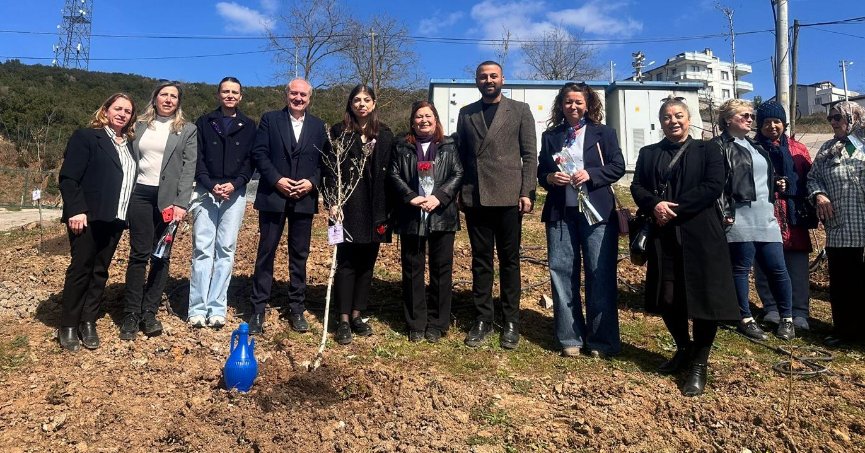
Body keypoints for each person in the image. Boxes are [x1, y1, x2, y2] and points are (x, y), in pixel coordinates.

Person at [630, 97, 738, 396]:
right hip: (664, 235)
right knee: (668, 296)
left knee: (704, 300)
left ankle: (699, 363)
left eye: (678, 115)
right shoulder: (649, 153)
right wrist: (655, 204)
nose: (673, 121)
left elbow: (713, 186)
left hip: (701, 232)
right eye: (666, 117)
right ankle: (683, 347)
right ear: (660, 121)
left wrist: (671, 208)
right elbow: (636, 186)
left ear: (689, 119)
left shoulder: (709, 149)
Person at [537, 82, 625, 358]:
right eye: (567, 102)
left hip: (596, 213)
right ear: (560, 105)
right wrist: (550, 178)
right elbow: (542, 171)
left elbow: (618, 166)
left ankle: (602, 340)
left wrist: (592, 174)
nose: (572, 106)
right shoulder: (551, 136)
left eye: (578, 102)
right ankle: (569, 338)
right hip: (561, 213)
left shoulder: (604, 133)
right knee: (561, 272)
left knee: (599, 275)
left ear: (588, 104)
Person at [457, 61, 537, 350]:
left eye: (493, 76)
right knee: (480, 262)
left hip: (509, 197)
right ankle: (482, 319)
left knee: (510, 261)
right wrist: (459, 192)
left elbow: (529, 155)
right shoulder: (467, 113)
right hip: (475, 195)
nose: (488, 80)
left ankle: (511, 320)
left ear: (503, 78)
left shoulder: (520, 110)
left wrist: (528, 191)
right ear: (476, 80)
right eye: (483, 76)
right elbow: (461, 156)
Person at [58, 93, 138, 351]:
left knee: (100, 270)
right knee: (81, 269)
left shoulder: (129, 145)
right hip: (87, 217)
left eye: (127, 111)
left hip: (115, 218)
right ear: (105, 110)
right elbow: (69, 178)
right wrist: (76, 209)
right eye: (118, 108)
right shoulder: (87, 137)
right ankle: (68, 324)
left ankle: (88, 321)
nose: (122, 114)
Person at [248, 78, 327, 335]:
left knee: (299, 256)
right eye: (294, 93)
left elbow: (323, 162)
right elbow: (259, 154)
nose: (298, 98)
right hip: (274, 197)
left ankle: (296, 307)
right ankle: (258, 308)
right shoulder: (270, 120)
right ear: (286, 95)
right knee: (266, 253)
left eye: (303, 94)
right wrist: (277, 180)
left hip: (303, 199)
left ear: (309, 98)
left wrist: (312, 183)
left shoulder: (318, 126)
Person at [121, 82, 197, 340]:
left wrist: (181, 204)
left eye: (173, 96)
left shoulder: (187, 130)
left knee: (161, 255)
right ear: (154, 98)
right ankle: (131, 312)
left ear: (179, 102)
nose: (168, 99)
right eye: (163, 94)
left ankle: (149, 312)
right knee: (139, 254)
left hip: (169, 202)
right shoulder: (138, 126)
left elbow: (189, 169)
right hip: (140, 195)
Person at [715, 99, 795, 342]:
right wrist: (725, 213)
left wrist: (777, 182)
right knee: (740, 269)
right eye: (744, 115)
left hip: (765, 213)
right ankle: (745, 317)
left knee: (778, 268)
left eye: (751, 115)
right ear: (728, 120)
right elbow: (718, 185)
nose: (750, 119)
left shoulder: (756, 146)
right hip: (739, 214)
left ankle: (787, 318)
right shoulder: (719, 147)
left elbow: (758, 178)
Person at [323, 84, 394, 345]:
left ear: (374, 104)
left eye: (366, 99)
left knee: (367, 264)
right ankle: (341, 319)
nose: (361, 104)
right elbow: (329, 169)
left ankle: (356, 314)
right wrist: (332, 201)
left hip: (377, 208)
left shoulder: (385, 134)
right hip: (346, 207)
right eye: (357, 100)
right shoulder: (339, 132)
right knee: (346, 263)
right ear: (350, 104)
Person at [388, 101, 464, 343]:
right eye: (419, 117)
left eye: (428, 116)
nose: (424, 120)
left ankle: (438, 323)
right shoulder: (402, 146)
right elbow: (393, 173)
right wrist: (411, 197)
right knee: (412, 269)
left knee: (442, 270)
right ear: (412, 122)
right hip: (412, 213)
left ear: (436, 119)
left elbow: (458, 173)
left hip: (442, 214)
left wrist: (439, 197)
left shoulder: (449, 145)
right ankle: (416, 322)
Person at [187, 77, 256, 329]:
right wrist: (208, 183)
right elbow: (197, 156)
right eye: (225, 91)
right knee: (203, 249)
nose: (229, 95)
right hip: (206, 192)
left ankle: (217, 308)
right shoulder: (204, 122)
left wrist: (235, 184)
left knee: (225, 250)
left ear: (241, 96)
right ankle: (197, 308)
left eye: (234, 92)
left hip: (234, 193)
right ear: (218, 95)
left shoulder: (249, 125)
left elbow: (251, 160)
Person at [752, 101, 814, 331]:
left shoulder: (799, 150)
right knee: (765, 263)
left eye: (776, 121)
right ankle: (772, 308)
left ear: (784, 124)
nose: (772, 126)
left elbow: (810, 179)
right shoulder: (752, 148)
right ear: (759, 125)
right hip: (763, 212)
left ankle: (799, 312)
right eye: (766, 122)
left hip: (793, 213)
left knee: (797, 265)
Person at [807, 101, 865, 347]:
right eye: (830, 117)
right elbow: (813, 178)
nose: (832, 122)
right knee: (843, 283)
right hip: (841, 228)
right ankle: (845, 331)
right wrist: (819, 195)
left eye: (838, 117)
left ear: (854, 118)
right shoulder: (827, 149)